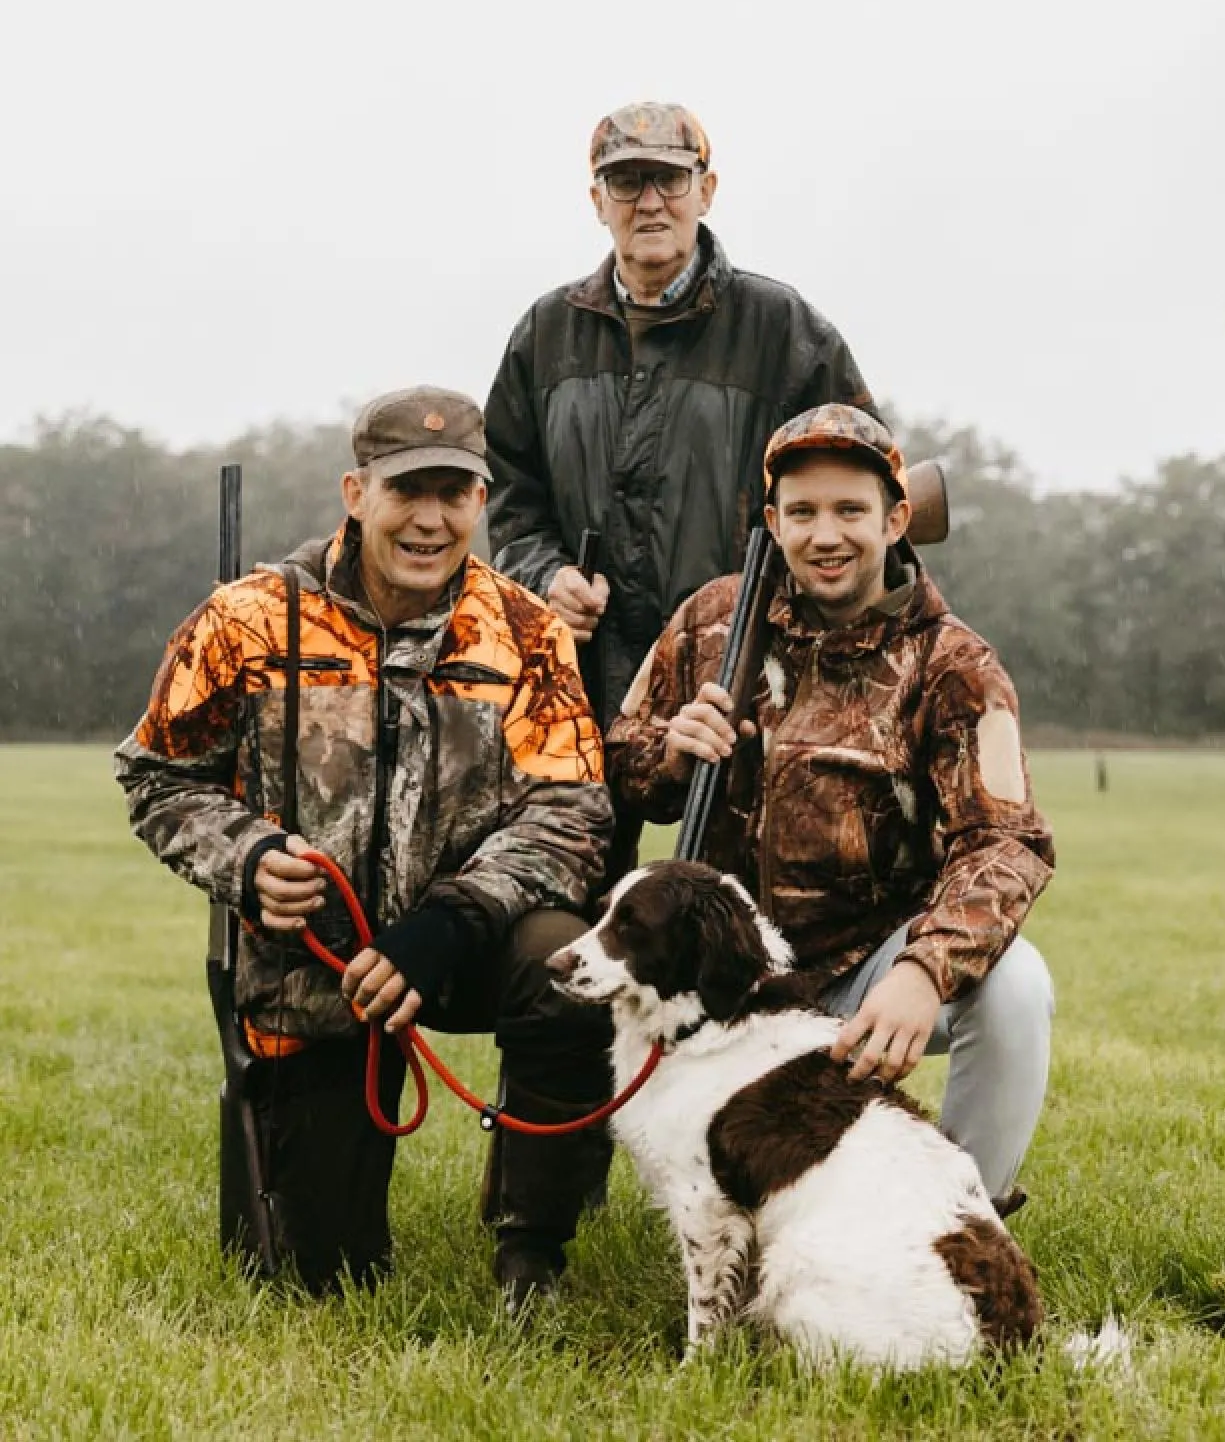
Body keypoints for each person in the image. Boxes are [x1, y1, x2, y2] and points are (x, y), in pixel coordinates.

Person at [114, 386, 614, 1307]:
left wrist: (456, 917)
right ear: (356, 493)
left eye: (453, 494)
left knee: (568, 971)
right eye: (405, 491)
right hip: (321, 970)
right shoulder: (247, 619)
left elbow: (574, 810)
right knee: (323, 1277)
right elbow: (156, 775)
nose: (429, 519)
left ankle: (531, 1249)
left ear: (481, 504)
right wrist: (249, 859)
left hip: (461, 947)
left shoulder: (529, 633)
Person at [606, 403, 1056, 1212]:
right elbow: (616, 759)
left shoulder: (954, 661)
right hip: (726, 974)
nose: (827, 536)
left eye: (852, 510)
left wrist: (925, 969)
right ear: (773, 522)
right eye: (804, 513)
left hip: (868, 975)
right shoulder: (712, 617)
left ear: (898, 518)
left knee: (1015, 986)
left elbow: (1007, 842)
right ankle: (549, 1224)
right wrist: (672, 750)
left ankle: (961, 1216)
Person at [484, 101, 874, 738]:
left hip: (747, 678)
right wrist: (546, 578)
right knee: (572, 840)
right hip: (581, 681)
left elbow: (859, 484)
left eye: (669, 179)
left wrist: (771, 615)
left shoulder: (782, 328)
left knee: (736, 842)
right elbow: (510, 496)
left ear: (707, 191)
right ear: (597, 200)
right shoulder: (545, 334)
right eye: (626, 182)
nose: (649, 202)